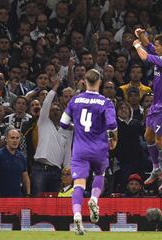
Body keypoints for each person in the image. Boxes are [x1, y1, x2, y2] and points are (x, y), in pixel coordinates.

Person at [60, 69, 118, 235]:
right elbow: (112, 125)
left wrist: (76, 127)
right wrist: (113, 139)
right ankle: (93, 199)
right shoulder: (106, 102)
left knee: (79, 183)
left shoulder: (75, 100)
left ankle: (77, 214)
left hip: (79, 149)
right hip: (99, 148)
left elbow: (63, 123)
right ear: (99, 82)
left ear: (84, 82)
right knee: (100, 175)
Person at [133, 28, 162, 190]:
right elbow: (149, 45)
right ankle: (155, 168)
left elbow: (144, 55)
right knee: (148, 136)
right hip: (157, 104)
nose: (155, 47)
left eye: (158, 46)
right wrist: (140, 35)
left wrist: (137, 45)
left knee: (161, 141)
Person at [0, 127, 30, 197]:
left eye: (17, 138)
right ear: (6, 139)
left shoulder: (21, 156)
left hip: (17, 197)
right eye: (12, 138)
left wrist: (28, 194)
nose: (15, 140)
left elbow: (25, 177)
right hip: (1, 198)